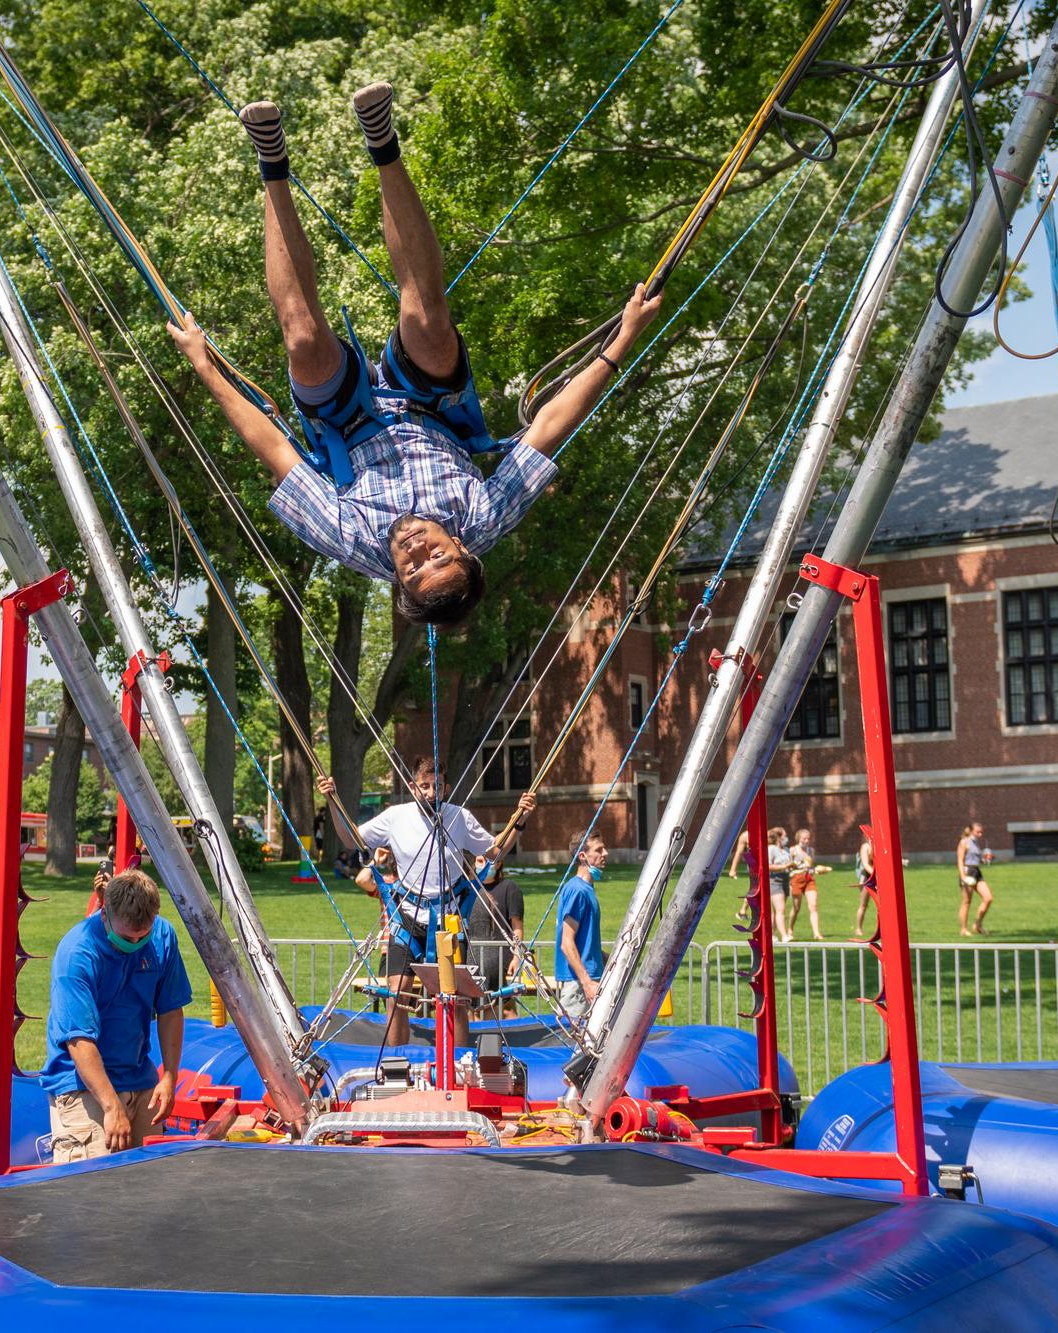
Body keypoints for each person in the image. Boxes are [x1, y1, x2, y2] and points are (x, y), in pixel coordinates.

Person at [169, 84, 664, 627]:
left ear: (398, 579)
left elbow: (276, 453)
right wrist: (625, 338)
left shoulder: (353, 542)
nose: (414, 549)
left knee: (305, 343)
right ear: (462, 547)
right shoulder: (483, 517)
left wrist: (204, 365)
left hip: (346, 421)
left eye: (410, 569)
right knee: (427, 322)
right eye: (437, 556)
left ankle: (271, 164)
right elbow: (550, 426)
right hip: (433, 406)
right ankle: (382, 143)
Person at [319, 762, 533, 1046]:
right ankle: (396, 1065)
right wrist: (332, 802)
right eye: (425, 786)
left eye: (438, 787)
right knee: (397, 997)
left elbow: (495, 850)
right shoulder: (396, 817)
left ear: (446, 787)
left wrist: (518, 821)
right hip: (406, 919)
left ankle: (458, 1065)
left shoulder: (459, 818)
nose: (432, 793)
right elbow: (351, 839)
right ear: (413, 787)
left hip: (448, 920)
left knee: (454, 1000)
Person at [42, 868, 191, 1161]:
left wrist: (170, 1076)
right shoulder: (77, 954)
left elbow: (171, 1009)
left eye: (142, 937)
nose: (134, 945)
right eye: (126, 937)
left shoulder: (162, 936)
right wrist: (111, 1106)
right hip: (82, 1084)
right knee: (94, 1189)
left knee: (150, 1185)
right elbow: (79, 1041)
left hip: (138, 1076)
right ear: (104, 915)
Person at [467, 852, 526, 1017]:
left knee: (500, 1007)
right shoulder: (469, 889)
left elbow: (517, 927)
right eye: (480, 860)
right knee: (470, 1009)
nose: (485, 864)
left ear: (499, 864)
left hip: (499, 957)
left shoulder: (509, 888)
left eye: (490, 861)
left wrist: (516, 956)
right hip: (473, 957)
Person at [555, 834, 607, 1022]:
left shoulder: (587, 890)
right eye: (599, 850)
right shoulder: (577, 890)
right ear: (583, 856)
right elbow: (566, 943)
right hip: (579, 984)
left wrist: (606, 959)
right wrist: (587, 983)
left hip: (589, 979)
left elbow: (583, 941)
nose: (605, 853)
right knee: (575, 1048)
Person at [789, 828, 832, 940]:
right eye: (804, 838)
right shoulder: (793, 850)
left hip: (809, 879)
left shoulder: (811, 851)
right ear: (799, 838)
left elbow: (811, 866)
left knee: (813, 906)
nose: (807, 840)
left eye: (808, 838)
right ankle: (790, 930)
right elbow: (788, 867)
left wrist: (819, 870)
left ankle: (816, 933)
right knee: (796, 908)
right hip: (796, 879)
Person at [957, 821, 994, 936]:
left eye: (981, 832)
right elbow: (960, 859)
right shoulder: (964, 842)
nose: (980, 834)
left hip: (977, 871)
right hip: (968, 872)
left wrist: (986, 859)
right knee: (966, 902)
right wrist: (963, 876)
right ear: (971, 831)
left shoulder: (976, 843)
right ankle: (963, 929)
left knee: (988, 898)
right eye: (978, 832)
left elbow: (976, 859)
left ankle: (977, 925)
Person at [764, 827, 795, 945]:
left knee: (777, 911)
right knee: (781, 909)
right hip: (774, 881)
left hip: (785, 880)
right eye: (784, 836)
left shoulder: (786, 850)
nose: (786, 838)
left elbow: (789, 864)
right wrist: (785, 866)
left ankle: (771, 934)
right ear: (778, 837)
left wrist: (794, 866)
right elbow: (767, 865)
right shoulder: (771, 849)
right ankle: (784, 935)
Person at [852, 834, 879, 938]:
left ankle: (883, 929)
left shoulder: (879, 846)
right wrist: (876, 874)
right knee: (863, 905)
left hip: (878, 877)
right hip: (867, 878)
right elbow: (865, 864)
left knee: (882, 905)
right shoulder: (865, 846)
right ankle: (858, 928)